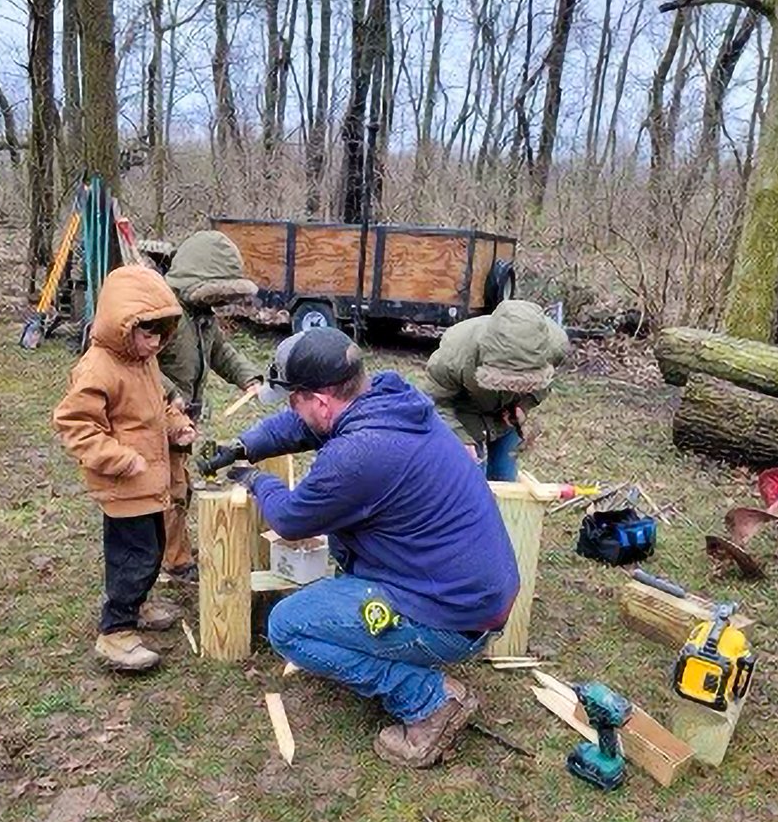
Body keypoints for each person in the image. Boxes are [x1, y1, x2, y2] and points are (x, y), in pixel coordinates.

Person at [201, 327, 520, 769]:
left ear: (320, 400)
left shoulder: (360, 452)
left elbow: (292, 519)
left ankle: (429, 702)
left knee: (288, 626)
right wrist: (244, 446)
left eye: (295, 399)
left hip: (452, 616)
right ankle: (416, 656)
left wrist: (258, 480)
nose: (293, 410)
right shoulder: (388, 397)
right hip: (471, 593)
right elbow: (299, 426)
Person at [53, 265, 196, 672]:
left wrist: (177, 426)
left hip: (151, 484)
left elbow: (158, 409)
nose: (155, 343)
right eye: (147, 333)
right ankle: (115, 632)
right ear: (122, 324)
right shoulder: (99, 367)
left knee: (151, 551)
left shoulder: (144, 362)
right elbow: (74, 424)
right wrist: (120, 458)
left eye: (161, 335)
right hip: (123, 486)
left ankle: (139, 605)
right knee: (133, 558)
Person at [156, 230, 263, 584]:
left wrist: (248, 377)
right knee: (170, 491)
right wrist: (171, 397)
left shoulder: (201, 316)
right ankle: (175, 561)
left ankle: (173, 549)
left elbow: (220, 352)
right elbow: (140, 368)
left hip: (184, 419)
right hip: (159, 419)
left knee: (180, 486)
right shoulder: (163, 314)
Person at [425, 299, 569, 481]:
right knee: (471, 479)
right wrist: (458, 437)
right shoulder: (454, 355)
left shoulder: (554, 347)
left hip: (505, 416)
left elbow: (544, 384)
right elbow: (436, 401)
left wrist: (524, 405)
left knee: (504, 475)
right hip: (464, 412)